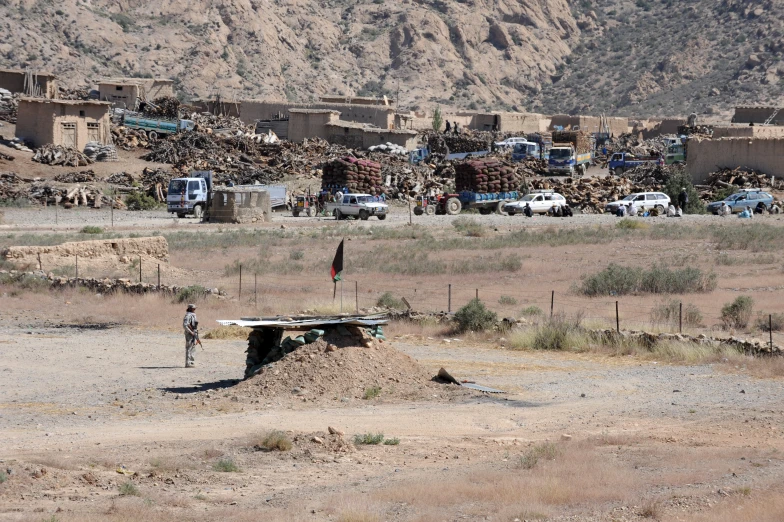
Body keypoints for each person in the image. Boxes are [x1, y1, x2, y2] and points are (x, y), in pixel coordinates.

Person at [183, 304, 198, 368]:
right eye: (193, 308)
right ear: (190, 309)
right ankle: (188, 363)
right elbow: (185, 325)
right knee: (189, 348)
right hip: (189, 334)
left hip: (193, 333)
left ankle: (192, 362)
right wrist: (191, 332)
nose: (195, 310)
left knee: (193, 347)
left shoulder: (193, 315)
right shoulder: (188, 316)